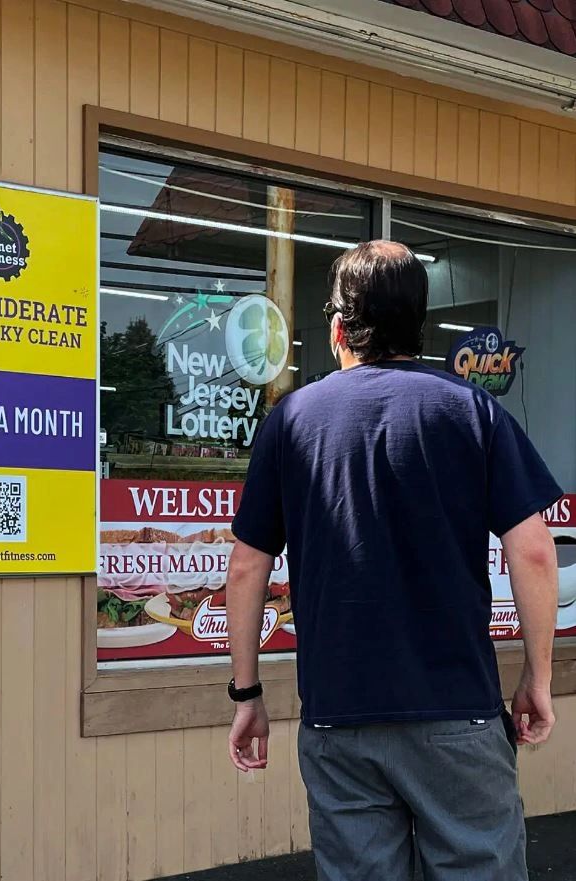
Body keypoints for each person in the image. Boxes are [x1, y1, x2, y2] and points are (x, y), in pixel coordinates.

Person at [225, 241, 562, 881]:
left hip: (338, 715)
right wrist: (536, 678)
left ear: (337, 329)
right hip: (457, 711)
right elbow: (536, 551)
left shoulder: (291, 419)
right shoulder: (472, 412)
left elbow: (246, 568)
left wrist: (247, 694)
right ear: (420, 326)